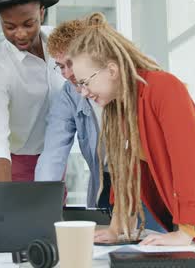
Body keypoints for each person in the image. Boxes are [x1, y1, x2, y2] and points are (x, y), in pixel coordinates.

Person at [68, 12, 195, 256]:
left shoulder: (163, 87)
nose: (83, 92)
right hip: (194, 226)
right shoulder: (121, 109)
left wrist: (184, 230)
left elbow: (186, 161)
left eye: (85, 82)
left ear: (112, 70)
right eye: (78, 85)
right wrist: (117, 228)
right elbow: (124, 172)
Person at [34, 16, 164, 233]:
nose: (66, 74)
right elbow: (53, 153)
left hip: (147, 178)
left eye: (70, 64)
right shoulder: (69, 94)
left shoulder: (140, 78)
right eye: (59, 66)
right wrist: (40, 205)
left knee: (154, 247)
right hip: (108, 181)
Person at [0, 0, 65, 182]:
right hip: (17, 161)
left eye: (28, 23)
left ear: (42, 13)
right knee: (18, 213)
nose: (20, 34)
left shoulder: (61, 43)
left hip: (57, 153)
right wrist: (6, 193)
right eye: (9, 26)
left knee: (54, 212)